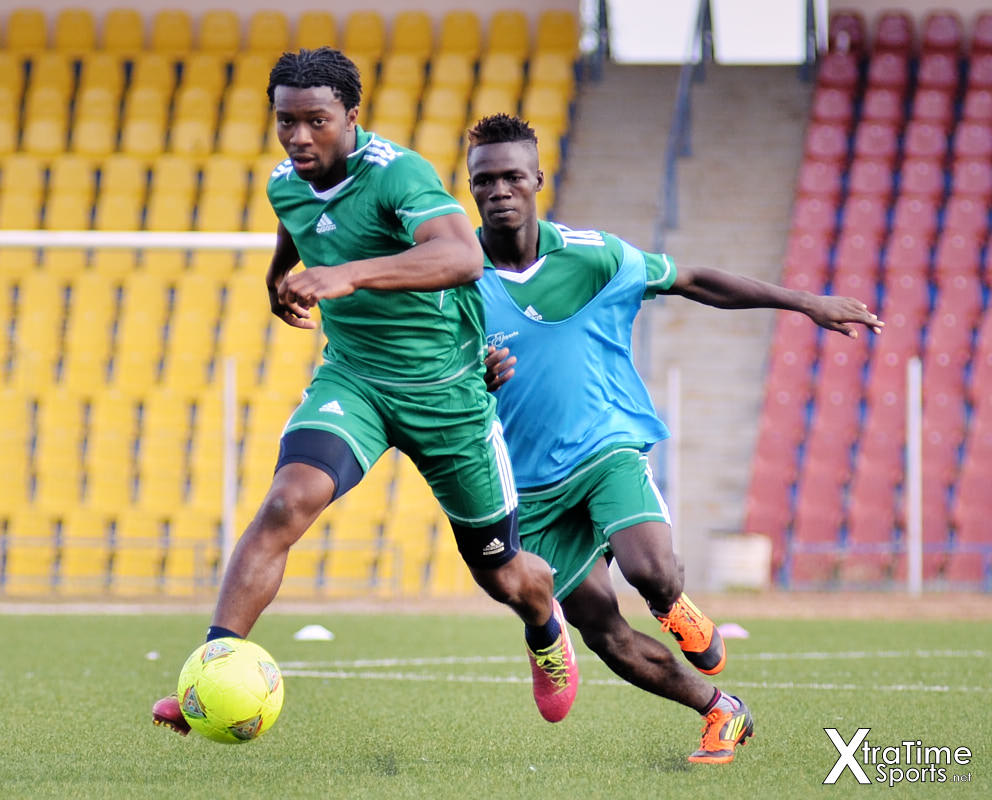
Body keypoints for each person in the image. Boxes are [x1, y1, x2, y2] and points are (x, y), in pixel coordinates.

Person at [153, 51, 578, 735]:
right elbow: (299, 224)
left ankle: (545, 626)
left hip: (449, 397)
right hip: (355, 381)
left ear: (352, 117)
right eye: (285, 122)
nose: (298, 138)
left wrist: (345, 276)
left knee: (503, 576)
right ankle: (212, 670)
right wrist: (277, 276)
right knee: (287, 500)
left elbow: (462, 256)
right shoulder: (285, 181)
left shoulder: (398, 174)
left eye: (316, 121)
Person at [466, 114, 885, 763]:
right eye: (484, 179)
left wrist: (803, 301)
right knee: (605, 634)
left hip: (605, 448)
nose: (498, 189)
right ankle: (722, 711)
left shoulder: (593, 254)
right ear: (470, 188)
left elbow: (691, 280)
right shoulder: (453, 281)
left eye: (511, 176)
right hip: (530, 485)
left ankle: (672, 603)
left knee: (650, 570)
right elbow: (438, 374)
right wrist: (473, 375)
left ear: (537, 180)